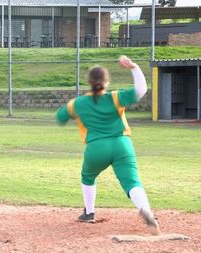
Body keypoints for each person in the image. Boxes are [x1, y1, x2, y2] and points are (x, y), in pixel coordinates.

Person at [55, 56, 160, 235]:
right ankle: (147, 211)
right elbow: (140, 90)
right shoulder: (115, 97)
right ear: (107, 82)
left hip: (96, 148)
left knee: (88, 176)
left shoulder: (77, 103)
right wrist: (134, 67)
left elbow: (60, 117)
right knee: (131, 181)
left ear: (89, 83)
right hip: (122, 144)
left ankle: (89, 213)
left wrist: (74, 112)